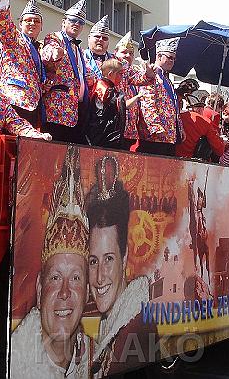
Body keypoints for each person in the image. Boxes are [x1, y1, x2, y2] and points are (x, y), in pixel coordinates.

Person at [10, 146, 90, 378]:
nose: (64, 292)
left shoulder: (96, 355)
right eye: (55, 278)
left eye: (75, 278)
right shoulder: (17, 364)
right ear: (39, 288)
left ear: (87, 292)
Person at [86, 156, 157, 376]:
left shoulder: (134, 328)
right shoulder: (113, 323)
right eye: (93, 261)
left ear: (124, 257)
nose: (99, 277)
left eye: (109, 259)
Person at [0, 0, 59, 128]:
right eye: (28, 20)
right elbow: (4, 26)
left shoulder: (40, 48)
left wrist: (44, 85)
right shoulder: (14, 40)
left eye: (36, 21)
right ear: (20, 23)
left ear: (42, 26)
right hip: (13, 100)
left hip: (34, 104)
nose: (32, 23)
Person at [42, 0, 90, 144]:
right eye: (73, 20)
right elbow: (48, 50)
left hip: (75, 109)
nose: (77, 24)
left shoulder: (78, 48)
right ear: (64, 22)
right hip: (57, 108)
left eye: (80, 22)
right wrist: (54, 53)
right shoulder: (55, 37)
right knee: (54, 147)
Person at [137, 37, 183, 156]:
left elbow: (174, 107)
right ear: (159, 56)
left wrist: (180, 128)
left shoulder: (167, 79)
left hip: (169, 136)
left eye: (174, 58)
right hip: (154, 137)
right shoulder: (150, 74)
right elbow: (146, 102)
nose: (172, 61)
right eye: (170, 57)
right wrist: (155, 127)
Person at [113, 32, 154, 150]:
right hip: (115, 127)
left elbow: (141, 79)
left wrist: (149, 74)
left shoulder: (132, 71)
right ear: (115, 53)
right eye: (124, 52)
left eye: (131, 53)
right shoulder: (112, 68)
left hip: (130, 129)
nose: (127, 56)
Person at [176, 83, 225, 161]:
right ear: (200, 108)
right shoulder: (206, 122)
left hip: (173, 158)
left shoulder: (177, 117)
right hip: (195, 163)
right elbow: (219, 151)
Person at [86, 59, 127, 149]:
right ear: (110, 74)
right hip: (103, 141)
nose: (122, 77)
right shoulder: (103, 89)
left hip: (109, 139)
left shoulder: (109, 89)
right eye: (120, 74)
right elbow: (100, 119)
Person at [83, 15, 113, 88]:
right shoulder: (79, 56)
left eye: (105, 38)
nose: (101, 40)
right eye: (97, 36)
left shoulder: (115, 60)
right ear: (89, 38)